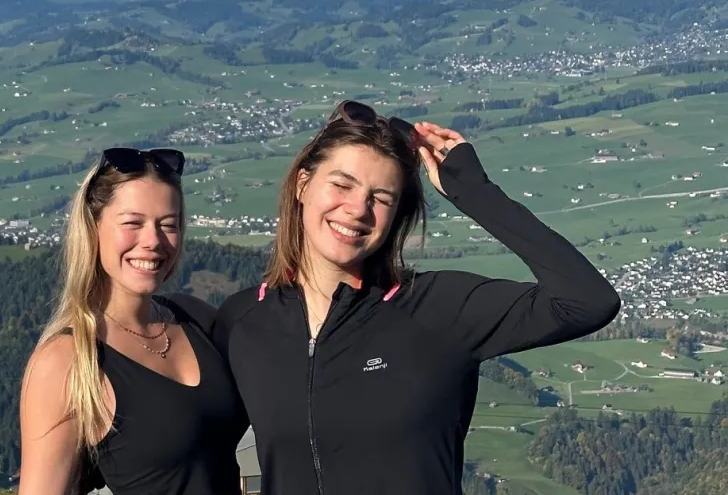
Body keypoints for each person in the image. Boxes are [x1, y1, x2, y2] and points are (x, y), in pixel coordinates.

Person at [213, 100, 622, 495]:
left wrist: (475, 192)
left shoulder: (439, 309)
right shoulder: (244, 321)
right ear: (303, 184)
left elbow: (587, 301)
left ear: (396, 216)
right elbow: (201, 451)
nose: (357, 209)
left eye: (381, 199)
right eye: (342, 184)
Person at [19, 147, 248, 495]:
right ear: (93, 228)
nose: (153, 241)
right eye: (132, 223)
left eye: (168, 225)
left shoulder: (195, 318)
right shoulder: (67, 361)